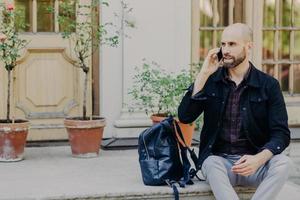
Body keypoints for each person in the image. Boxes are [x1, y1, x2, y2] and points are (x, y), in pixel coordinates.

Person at [178, 23, 291, 200]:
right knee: (211, 163)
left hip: (254, 165)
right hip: (221, 164)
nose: (226, 50)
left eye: (232, 44)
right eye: (223, 44)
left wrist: (259, 159)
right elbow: (185, 117)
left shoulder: (268, 85)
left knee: (284, 163)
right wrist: (204, 73)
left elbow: (281, 134)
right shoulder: (211, 80)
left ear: (249, 46)